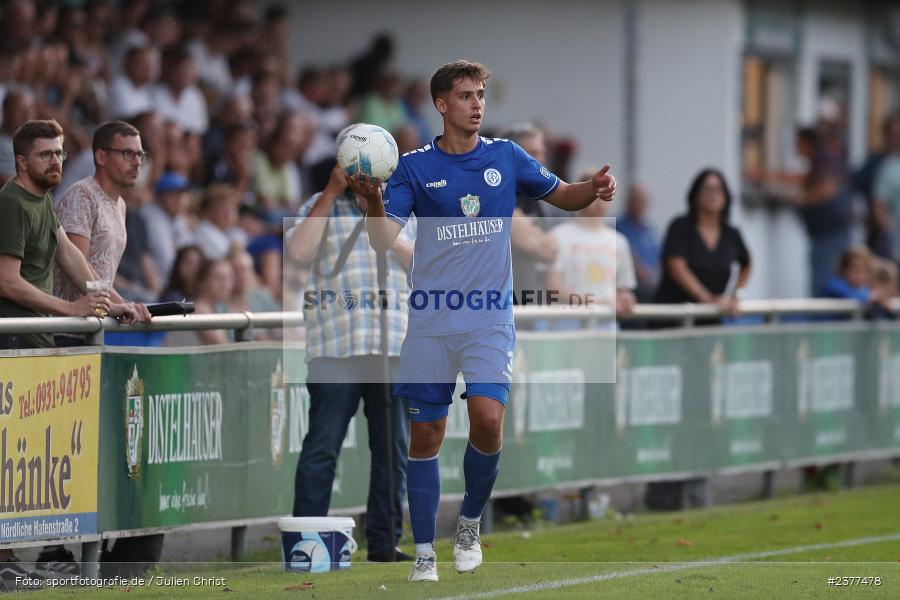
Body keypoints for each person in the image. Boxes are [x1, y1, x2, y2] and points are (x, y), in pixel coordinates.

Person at [348, 60, 617, 582]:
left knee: (489, 418)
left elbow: (562, 194)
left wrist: (594, 186)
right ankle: (424, 553)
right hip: (430, 318)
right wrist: (375, 203)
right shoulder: (413, 167)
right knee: (426, 433)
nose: (477, 104)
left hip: (489, 318)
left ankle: (468, 523)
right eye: (466, 96)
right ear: (442, 105)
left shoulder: (505, 156)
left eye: (480, 96)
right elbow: (382, 239)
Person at [0, 119, 143, 588]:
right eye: (45, 155)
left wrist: (112, 303)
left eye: (60, 153)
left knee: (34, 459)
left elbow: (71, 258)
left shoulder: (40, 202)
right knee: (12, 459)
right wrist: (70, 309)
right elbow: (7, 280)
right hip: (15, 342)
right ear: (22, 161)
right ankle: (8, 560)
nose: (56, 162)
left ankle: (20, 558)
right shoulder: (13, 203)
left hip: (37, 342)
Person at [286, 155, 414, 563]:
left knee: (392, 452)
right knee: (321, 448)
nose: (365, 176)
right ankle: (306, 545)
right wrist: (331, 192)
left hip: (391, 347)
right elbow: (299, 253)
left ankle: (384, 544)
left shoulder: (404, 206)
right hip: (334, 347)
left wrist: (377, 209)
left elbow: (422, 265)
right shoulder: (315, 205)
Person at [53, 120, 153, 345]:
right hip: (64, 329)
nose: (137, 163)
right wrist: (118, 305)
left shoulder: (121, 205)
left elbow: (101, 271)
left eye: (140, 155)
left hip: (93, 326)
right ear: (101, 157)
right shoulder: (82, 195)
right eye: (128, 154)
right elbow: (78, 264)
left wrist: (122, 305)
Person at [654, 168, 751, 324]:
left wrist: (735, 295)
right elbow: (676, 266)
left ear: (726, 196)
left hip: (710, 318)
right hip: (675, 317)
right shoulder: (681, 226)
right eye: (707, 189)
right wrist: (708, 299)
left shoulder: (731, 233)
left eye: (718, 189)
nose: (713, 194)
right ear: (696, 195)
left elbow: (747, 263)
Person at [546, 168, 636, 321]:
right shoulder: (558, 236)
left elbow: (624, 289)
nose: (597, 201)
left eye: (603, 194)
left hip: (606, 325)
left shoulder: (620, 242)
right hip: (567, 324)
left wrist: (626, 299)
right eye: (592, 193)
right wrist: (597, 304)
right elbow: (553, 287)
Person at [616, 184, 661, 303]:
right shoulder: (618, 228)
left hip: (651, 285)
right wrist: (647, 276)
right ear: (628, 201)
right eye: (637, 200)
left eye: (643, 200)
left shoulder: (650, 230)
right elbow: (629, 258)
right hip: (630, 287)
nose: (640, 204)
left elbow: (659, 259)